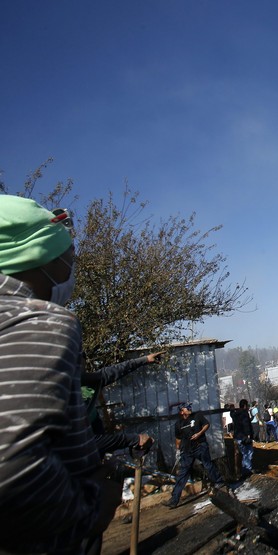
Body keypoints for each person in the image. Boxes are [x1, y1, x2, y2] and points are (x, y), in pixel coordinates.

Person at [0, 196, 121, 553]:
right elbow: (11, 467)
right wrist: (89, 508)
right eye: (69, 254)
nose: (73, 263)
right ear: (39, 256)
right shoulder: (38, 321)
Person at [82, 351, 165, 456]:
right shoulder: (64, 394)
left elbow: (115, 370)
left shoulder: (89, 381)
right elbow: (85, 443)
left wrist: (145, 359)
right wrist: (133, 439)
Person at [163, 403, 225, 508]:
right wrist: (178, 450)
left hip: (200, 446)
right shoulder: (178, 424)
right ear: (182, 412)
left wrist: (199, 434)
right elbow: (178, 439)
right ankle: (174, 500)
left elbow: (206, 424)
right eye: (187, 408)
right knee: (182, 474)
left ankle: (219, 482)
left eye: (189, 407)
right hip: (187, 451)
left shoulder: (197, 416)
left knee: (207, 464)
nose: (189, 408)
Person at [231, 399, 255, 479]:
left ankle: (245, 470)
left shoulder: (235, 414)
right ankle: (247, 470)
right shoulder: (244, 413)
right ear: (245, 405)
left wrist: (231, 409)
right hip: (244, 436)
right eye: (247, 405)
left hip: (238, 437)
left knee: (244, 453)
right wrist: (248, 434)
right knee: (249, 453)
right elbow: (246, 424)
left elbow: (231, 414)